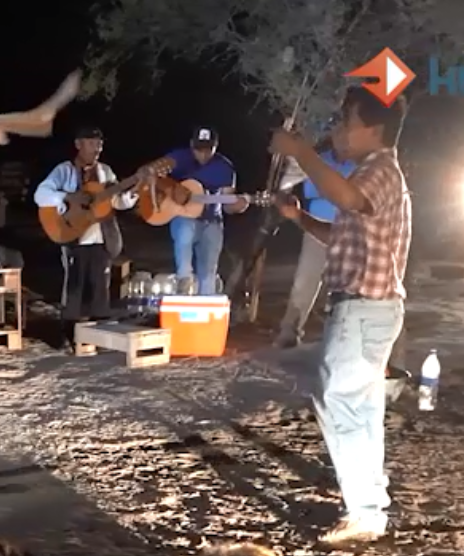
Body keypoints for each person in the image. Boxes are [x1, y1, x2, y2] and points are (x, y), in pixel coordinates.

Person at [270, 86, 410, 545]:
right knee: (360, 408)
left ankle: (365, 513)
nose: (339, 132)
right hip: (371, 309)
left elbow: (348, 200)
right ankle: (369, 502)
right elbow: (342, 232)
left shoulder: (379, 171)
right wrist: (297, 219)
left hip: (363, 308)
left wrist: (300, 151)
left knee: (341, 403)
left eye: (346, 122)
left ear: (374, 128)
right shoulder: (377, 175)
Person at [33, 126, 138, 347]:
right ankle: (70, 335)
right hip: (74, 235)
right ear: (78, 144)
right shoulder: (64, 171)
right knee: (74, 287)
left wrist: (133, 193)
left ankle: (98, 337)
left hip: (101, 237)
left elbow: (117, 201)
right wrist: (68, 197)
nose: (97, 148)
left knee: (100, 288)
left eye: (99, 144)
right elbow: (41, 194)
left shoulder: (106, 172)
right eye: (92, 143)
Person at [274, 142, 356, 348]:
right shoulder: (314, 161)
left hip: (350, 232)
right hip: (315, 228)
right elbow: (284, 185)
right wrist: (286, 197)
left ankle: (344, 335)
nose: (343, 138)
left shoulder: (361, 163)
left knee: (347, 286)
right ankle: (290, 331)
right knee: (305, 280)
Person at [154, 126, 248, 294]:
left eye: (208, 149)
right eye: (199, 149)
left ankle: (206, 310)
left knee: (208, 272)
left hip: (212, 220)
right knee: (184, 236)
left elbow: (227, 204)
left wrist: (237, 207)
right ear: (191, 145)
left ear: (216, 146)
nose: (203, 154)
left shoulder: (224, 167)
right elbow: (152, 174)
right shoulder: (178, 158)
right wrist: (172, 189)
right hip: (184, 216)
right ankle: (184, 281)